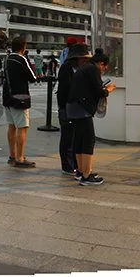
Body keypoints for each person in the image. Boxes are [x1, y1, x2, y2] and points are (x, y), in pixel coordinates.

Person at [65, 49, 115, 185]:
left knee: (80, 140)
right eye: (105, 66)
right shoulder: (93, 70)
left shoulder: (84, 68)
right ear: (100, 63)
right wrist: (108, 90)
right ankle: (86, 176)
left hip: (73, 107)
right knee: (88, 140)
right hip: (82, 109)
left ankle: (81, 171)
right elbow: (98, 91)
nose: (104, 69)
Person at [1, 35, 39, 168]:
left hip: (7, 96)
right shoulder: (21, 59)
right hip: (20, 97)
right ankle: (20, 157)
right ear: (23, 46)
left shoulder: (7, 59)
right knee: (22, 127)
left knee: (11, 126)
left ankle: (12, 156)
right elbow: (32, 77)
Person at [55, 43, 84, 176]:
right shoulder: (66, 68)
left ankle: (74, 163)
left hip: (74, 107)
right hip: (66, 107)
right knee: (67, 137)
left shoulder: (78, 69)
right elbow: (67, 89)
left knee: (74, 136)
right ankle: (67, 165)